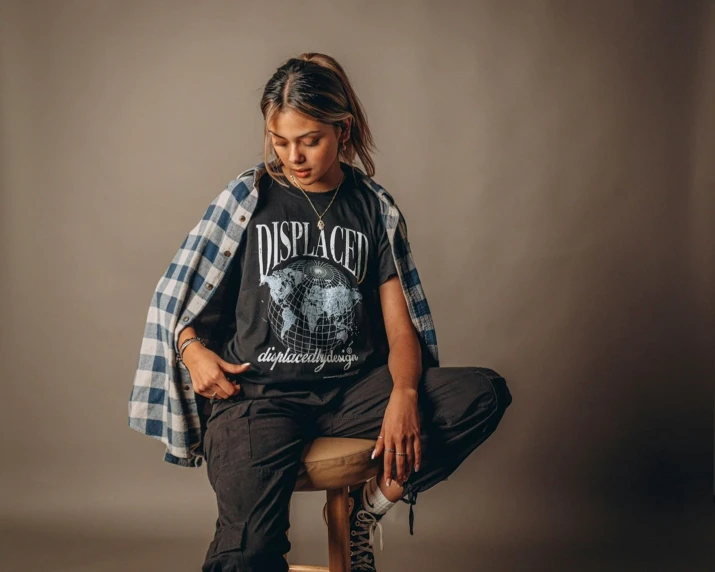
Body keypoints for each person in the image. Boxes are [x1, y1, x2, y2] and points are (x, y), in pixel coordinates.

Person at [128, 52, 512, 572]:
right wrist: (191, 349)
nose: (294, 156)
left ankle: (366, 510)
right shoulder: (249, 197)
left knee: (482, 393)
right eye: (280, 140)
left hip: (353, 391)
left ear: (342, 130)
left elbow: (402, 330)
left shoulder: (372, 206)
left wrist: (402, 393)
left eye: (309, 139)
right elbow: (184, 296)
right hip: (258, 397)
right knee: (246, 553)